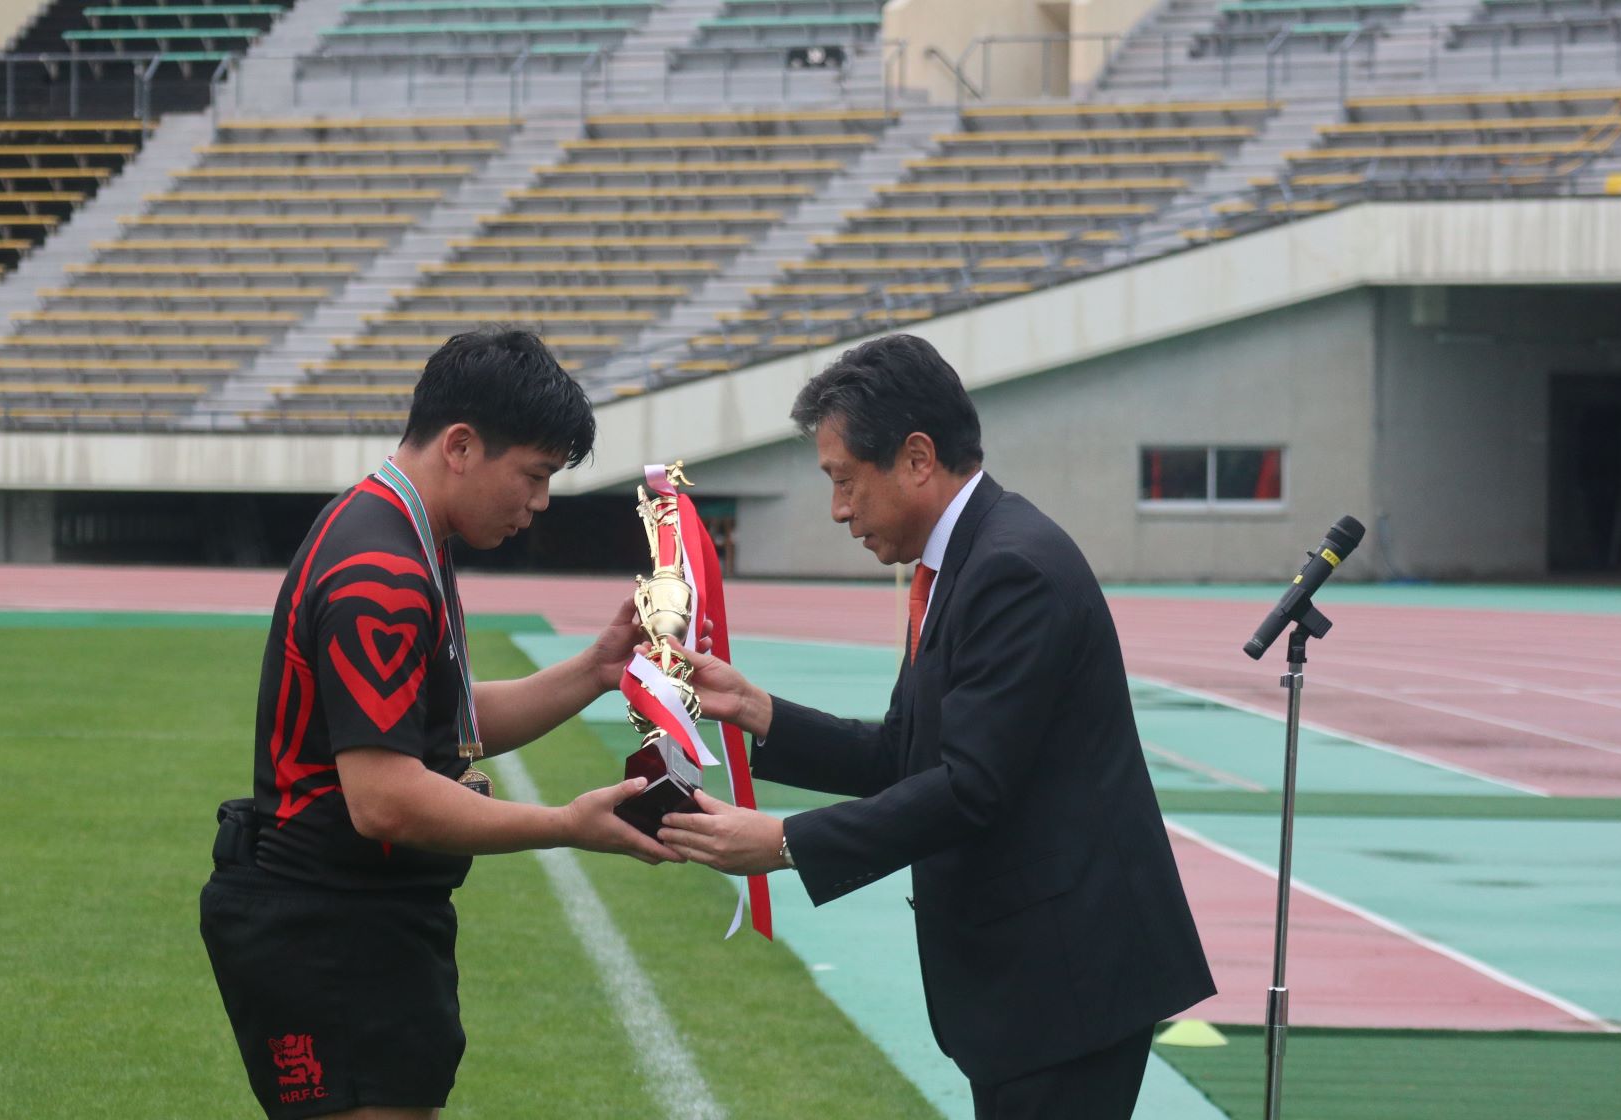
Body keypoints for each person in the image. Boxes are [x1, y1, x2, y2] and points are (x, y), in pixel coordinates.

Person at [658, 334, 1216, 1120]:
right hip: (1038, 985)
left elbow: (970, 789)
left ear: (917, 458)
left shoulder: (1010, 568)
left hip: (1068, 986)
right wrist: (760, 711)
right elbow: (903, 753)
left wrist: (785, 843)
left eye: (845, 480)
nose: (838, 509)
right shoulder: (962, 561)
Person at [199, 327, 681, 1120]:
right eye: (532, 475)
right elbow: (384, 797)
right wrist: (565, 822)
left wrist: (597, 669)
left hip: (355, 915)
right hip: (328, 926)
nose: (539, 502)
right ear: (460, 445)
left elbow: (434, 725)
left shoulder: (402, 530)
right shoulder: (382, 569)